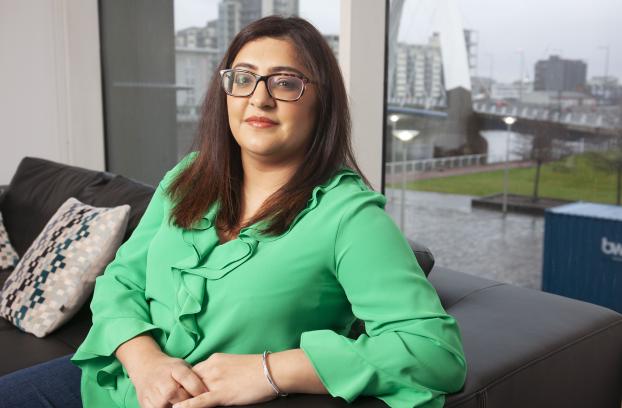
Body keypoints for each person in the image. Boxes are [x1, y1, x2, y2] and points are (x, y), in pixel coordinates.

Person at [0, 15, 467, 408]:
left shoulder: (350, 217)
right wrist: (143, 358)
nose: (258, 97)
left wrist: (273, 370)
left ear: (322, 102)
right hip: (109, 385)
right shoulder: (188, 176)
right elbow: (121, 279)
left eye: (286, 82)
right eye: (243, 78)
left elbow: (435, 353)